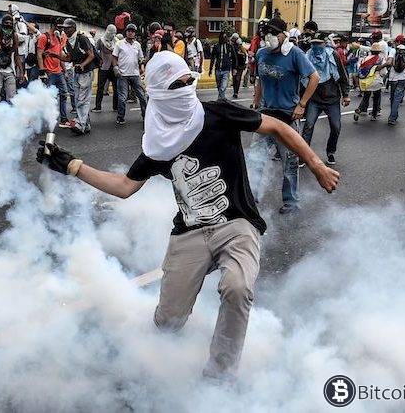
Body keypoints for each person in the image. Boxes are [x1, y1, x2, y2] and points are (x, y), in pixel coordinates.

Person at [36, 50, 339, 383]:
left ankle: (219, 377)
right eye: (175, 85)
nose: (185, 90)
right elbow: (123, 187)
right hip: (190, 233)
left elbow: (278, 127)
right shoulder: (157, 145)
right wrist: (72, 166)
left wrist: (316, 165)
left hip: (236, 223)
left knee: (237, 288)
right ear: (158, 93)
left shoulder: (218, 113)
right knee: (168, 322)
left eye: (187, 81)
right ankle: (161, 347)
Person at [253, 17, 321, 214]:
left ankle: (291, 202)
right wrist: (256, 102)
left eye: (274, 33)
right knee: (255, 160)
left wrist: (302, 104)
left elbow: (314, 77)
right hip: (265, 116)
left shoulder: (295, 54)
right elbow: (259, 80)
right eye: (267, 33)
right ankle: (251, 197)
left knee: (290, 162)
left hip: (287, 116)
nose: (270, 37)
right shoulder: (261, 54)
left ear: (284, 35)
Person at [301, 32, 350, 166]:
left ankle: (330, 152)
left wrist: (346, 94)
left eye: (319, 43)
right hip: (314, 99)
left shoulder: (333, 55)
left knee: (336, 127)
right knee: (308, 126)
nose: (316, 46)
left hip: (332, 99)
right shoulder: (307, 56)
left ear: (325, 43)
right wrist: (300, 101)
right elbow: (302, 79)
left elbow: (342, 74)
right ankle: (303, 155)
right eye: (314, 43)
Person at [49, 18, 95, 135]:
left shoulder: (82, 38)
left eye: (67, 28)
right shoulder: (69, 41)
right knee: (77, 98)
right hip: (77, 72)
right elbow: (69, 58)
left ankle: (81, 124)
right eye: (64, 28)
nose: (65, 30)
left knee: (82, 99)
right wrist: (55, 55)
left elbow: (91, 55)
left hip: (86, 72)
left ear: (73, 28)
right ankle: (86, 124)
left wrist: (82, 65)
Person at [38, 19, 72, 128]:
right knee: (50, 98)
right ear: (53, 25)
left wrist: (64, 71)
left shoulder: (58, 38)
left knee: (64, 94)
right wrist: (42, 71)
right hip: (49, 72)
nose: (62, 29)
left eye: (62, 27)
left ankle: (63, 119)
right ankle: (45, 119)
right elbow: (39, 54)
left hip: (58, 71)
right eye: (59, 26)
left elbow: (59, 55)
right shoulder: (44, 37)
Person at [0, 14, 24, 108]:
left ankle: (9, 116)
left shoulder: (14, 36)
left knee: (12, 98)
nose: (8, 25)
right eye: (6, 23)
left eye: (11, 23)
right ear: (2, 23)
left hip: (9, 69)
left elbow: (16, 55)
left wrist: (22, 72)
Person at [112, 23, 147, 125]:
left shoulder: (137, 45)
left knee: (142, 96)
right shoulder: (119, 44)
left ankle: (145, 116)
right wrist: (115, 68)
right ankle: (120, 117)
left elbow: (141, 58)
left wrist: (142, 67)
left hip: (135, 74)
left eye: (132, 31)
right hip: (122, 74)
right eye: (129, 31)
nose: (130, 33)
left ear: (135, 33)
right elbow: (114, 57)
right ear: (126, 32)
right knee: (122, 98)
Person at [354, 42, 387, 122]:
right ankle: (374, 115)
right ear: (379, 52)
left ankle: (359, 109)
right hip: (376, 81)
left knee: (366, 97)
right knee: (376, 98)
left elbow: (359, 68)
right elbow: (383, 72)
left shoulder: (365, 59)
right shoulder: (381, 59)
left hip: (366, 81)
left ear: (371, 51)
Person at [384, 34, 405, 125]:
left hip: (393, 78)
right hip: (403, 78)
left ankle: (393, 116)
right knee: (397, 98)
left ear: (398, 42)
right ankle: (393, 117)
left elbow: (389, 62)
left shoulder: (393, 50)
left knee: (393, 98)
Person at [92, 24, 118, 113]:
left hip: (113, 67)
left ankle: (116, 106)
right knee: (100, 88)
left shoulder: (116, 41)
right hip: (103, 66)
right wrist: (99, 60)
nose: (112, 34)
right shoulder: (101, 40)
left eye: (114, 32)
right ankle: (98, 106)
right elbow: (95, 51)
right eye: (111, 32)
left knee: (116, 88)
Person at [208, 32, 237, 101]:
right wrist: (210, 69)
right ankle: (222, 98)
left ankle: (220, 99)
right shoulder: (216, 46)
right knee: (219, 87)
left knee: (223, 86)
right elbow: (212, 58)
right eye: (223, 37)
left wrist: (234, 68)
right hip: (218, 70)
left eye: (225, 37)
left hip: (226, 70)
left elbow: (234, 58)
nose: (224, 39)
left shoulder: (230, 47)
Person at [9, 4, 29, 70]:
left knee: (19, 70)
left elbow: (23, 37)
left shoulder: (20, 23)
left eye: (10, 9)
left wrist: (14, 36)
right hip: (13, 51)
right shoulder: (13, 22)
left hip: (20, 51)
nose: (8, 11)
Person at [230, 33, 247, 99]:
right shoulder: (232, 46)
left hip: (240, 66)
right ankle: (235, 91)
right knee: (235, 79)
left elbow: (245, 55)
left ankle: (236, 92)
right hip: (234, 66)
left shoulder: (240, 47)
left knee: (237, 78)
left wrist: (245, 64)